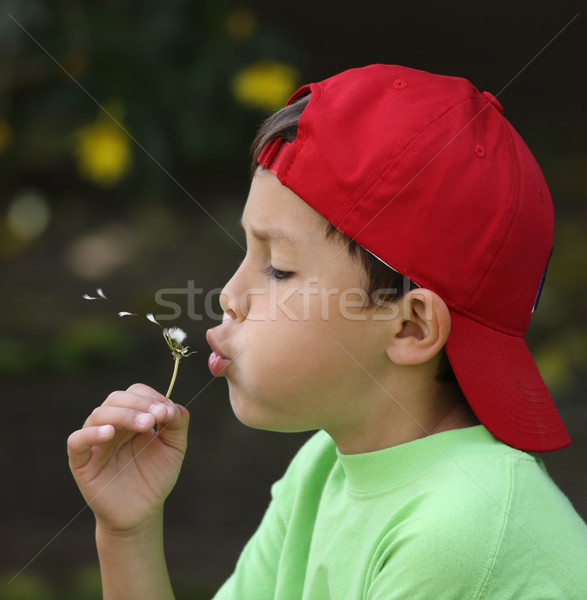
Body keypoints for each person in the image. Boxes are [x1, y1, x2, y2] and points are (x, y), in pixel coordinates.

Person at [67, 64, 587, 599]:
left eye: (278, 269)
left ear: (410, 327)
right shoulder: (323, 467)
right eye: (247, 252)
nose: (228, 296)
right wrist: (126, 532)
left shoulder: (459, 531)